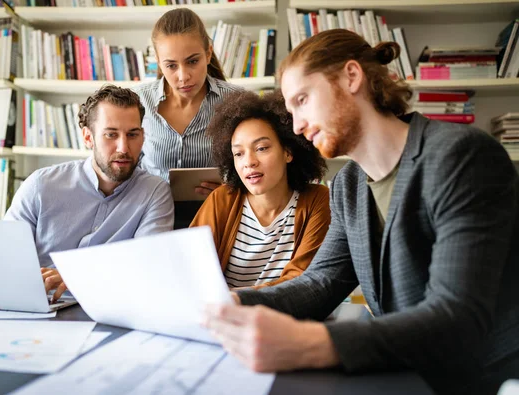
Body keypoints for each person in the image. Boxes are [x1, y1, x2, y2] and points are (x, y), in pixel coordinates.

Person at [203, 29, 519, 395]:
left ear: (351, 77)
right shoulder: (347, 185)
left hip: (487, 378)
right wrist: (236, 301)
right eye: (290, 112)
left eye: (303, 100)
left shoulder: (461, 157)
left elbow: (455, 315)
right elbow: (320, 283)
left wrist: (312, 342)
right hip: (406, 373)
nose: (297, 126)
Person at [5, 85, 174, 302]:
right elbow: (6, 259)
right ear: (88, 138)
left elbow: (148, 267)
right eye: (111, 134)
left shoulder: (154, 192)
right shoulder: (41, 185)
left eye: (133, 134)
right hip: (40, 306)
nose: (123, 147)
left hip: (112, 309)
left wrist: (75, 276)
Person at [190, 90, 330, 289]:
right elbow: (191, 271)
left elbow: (303, 282)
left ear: (288, 152)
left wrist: (234, 298)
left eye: (262, 148)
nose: (249, 162)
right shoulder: (221, 200)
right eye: (238, 153)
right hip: (225, 316)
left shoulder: (318, 201)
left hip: (287, 316)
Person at [132, 8, 244, 228]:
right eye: (171, 65)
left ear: (208, 53)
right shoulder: (137, 101)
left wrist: (232, 186)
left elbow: (255, 164)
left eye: (192, 61)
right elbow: (127, 165)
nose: (183, 76)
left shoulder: (237, 101)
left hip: (217, 215)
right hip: (149, 216)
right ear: (158, 61)